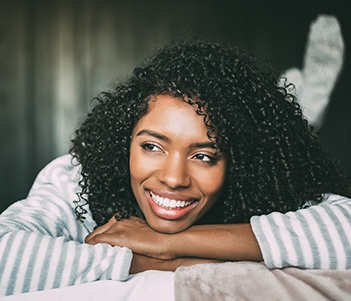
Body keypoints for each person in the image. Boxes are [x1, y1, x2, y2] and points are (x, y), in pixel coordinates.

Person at [0, 41, 350, 297]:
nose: (173, 178)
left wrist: (167, 243)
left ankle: (303, 112)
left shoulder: (262, 183)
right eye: (152, 146)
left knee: (290, 138)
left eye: (204, 155)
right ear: (125, 142)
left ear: (238, 165)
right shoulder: (74, 179)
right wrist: (150, 263)